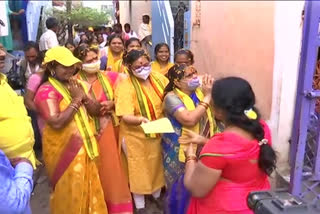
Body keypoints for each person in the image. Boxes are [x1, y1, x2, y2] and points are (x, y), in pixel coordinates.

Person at [182, 77, 276, 214]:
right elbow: (236, 156)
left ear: (219, 111)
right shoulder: (261, 127)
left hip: (225, 207)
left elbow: (196, 189)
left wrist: (190, 158)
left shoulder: (218, 147)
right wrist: (203, 140)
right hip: (257, 203)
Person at [34, 46, 108, 214]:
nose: (70, 70)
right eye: (64, 66)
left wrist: (83, 97)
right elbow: (57, 122)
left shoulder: (78, 84)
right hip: (65, 153)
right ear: (52, 67)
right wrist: (77, 99)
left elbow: (96, 111)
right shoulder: (46, 91)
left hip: (86, 149)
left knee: (90, 192)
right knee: (71, 195)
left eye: (71, 65)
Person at [74, 44, 133, 214]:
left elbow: (129, 96)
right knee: (94, 169)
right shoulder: (74, 82)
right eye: (89, 60)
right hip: (86, 133)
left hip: (111, 130)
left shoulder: (113, 77)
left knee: (113, 169)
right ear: (79, 63)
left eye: (95, 58)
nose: (94, 62)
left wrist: (114, 103)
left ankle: (117, 206)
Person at [115, 49, 168, 214]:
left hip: (158, 131)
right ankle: (140, 206)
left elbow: (171, 95)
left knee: (157, 165)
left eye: (146, 64)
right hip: (135, 136)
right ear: (129, 67)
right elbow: (125, 116)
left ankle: (156, 196)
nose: (144, 68)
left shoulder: (159, 78)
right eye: (138, 66)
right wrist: (141, 120)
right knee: (139, 169)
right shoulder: (125, 86)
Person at [162, 64, 218, 214]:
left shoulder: (200, 91)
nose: (194, 77)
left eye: (195, 73)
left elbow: (217, 113)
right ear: (177, 82)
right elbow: (189, 119)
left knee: (201, 186)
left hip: (203, 145)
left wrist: (209, 92)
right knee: (181, 188)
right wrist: (207, 97)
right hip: (179, 150)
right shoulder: (171, 98)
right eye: (188, 76)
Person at [0, 42, 35, 213]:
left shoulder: (3, 81)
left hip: (15, 170)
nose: (2, 54)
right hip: (14, 173)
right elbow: (11, 206)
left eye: (1, 48)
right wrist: (23, 167)